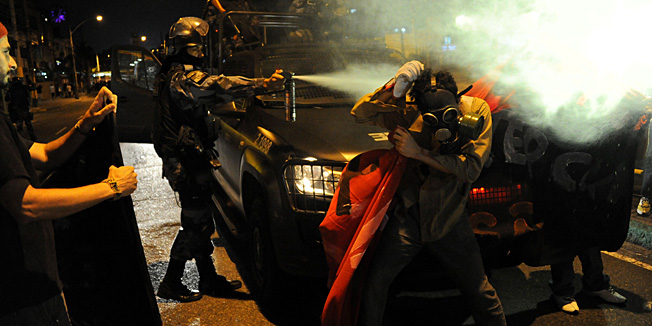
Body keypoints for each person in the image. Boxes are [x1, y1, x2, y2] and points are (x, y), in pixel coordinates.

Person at [0, 21, 138, 325]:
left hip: (34, 286)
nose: (14, 63)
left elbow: (46, 155)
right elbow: (25, 204)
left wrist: (86, 123)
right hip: (21, 296)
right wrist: (111, 188)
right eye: (7, 53)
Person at [351, 60, 506, 325]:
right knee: (375, 283)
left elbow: (469, 169)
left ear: (458, 102)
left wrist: (418, 152)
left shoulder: (476, 111)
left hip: (449, 215)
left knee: (480, 290)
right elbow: (360, 113)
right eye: (433, 118)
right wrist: (393, 87)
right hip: (409, 214)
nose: (442, 124)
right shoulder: (411, 114)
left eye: (449, 114)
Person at [153, 16, 284, 303]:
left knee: (201, 219)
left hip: (191, 159)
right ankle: (171, 282)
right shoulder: (180, 79)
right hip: (184, 163)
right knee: (197, 225)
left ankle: (208, 278)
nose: (201, 53)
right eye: (197, 48)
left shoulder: (174, 74)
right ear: (185, 48)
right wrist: (263, 84)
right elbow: (219, 85)